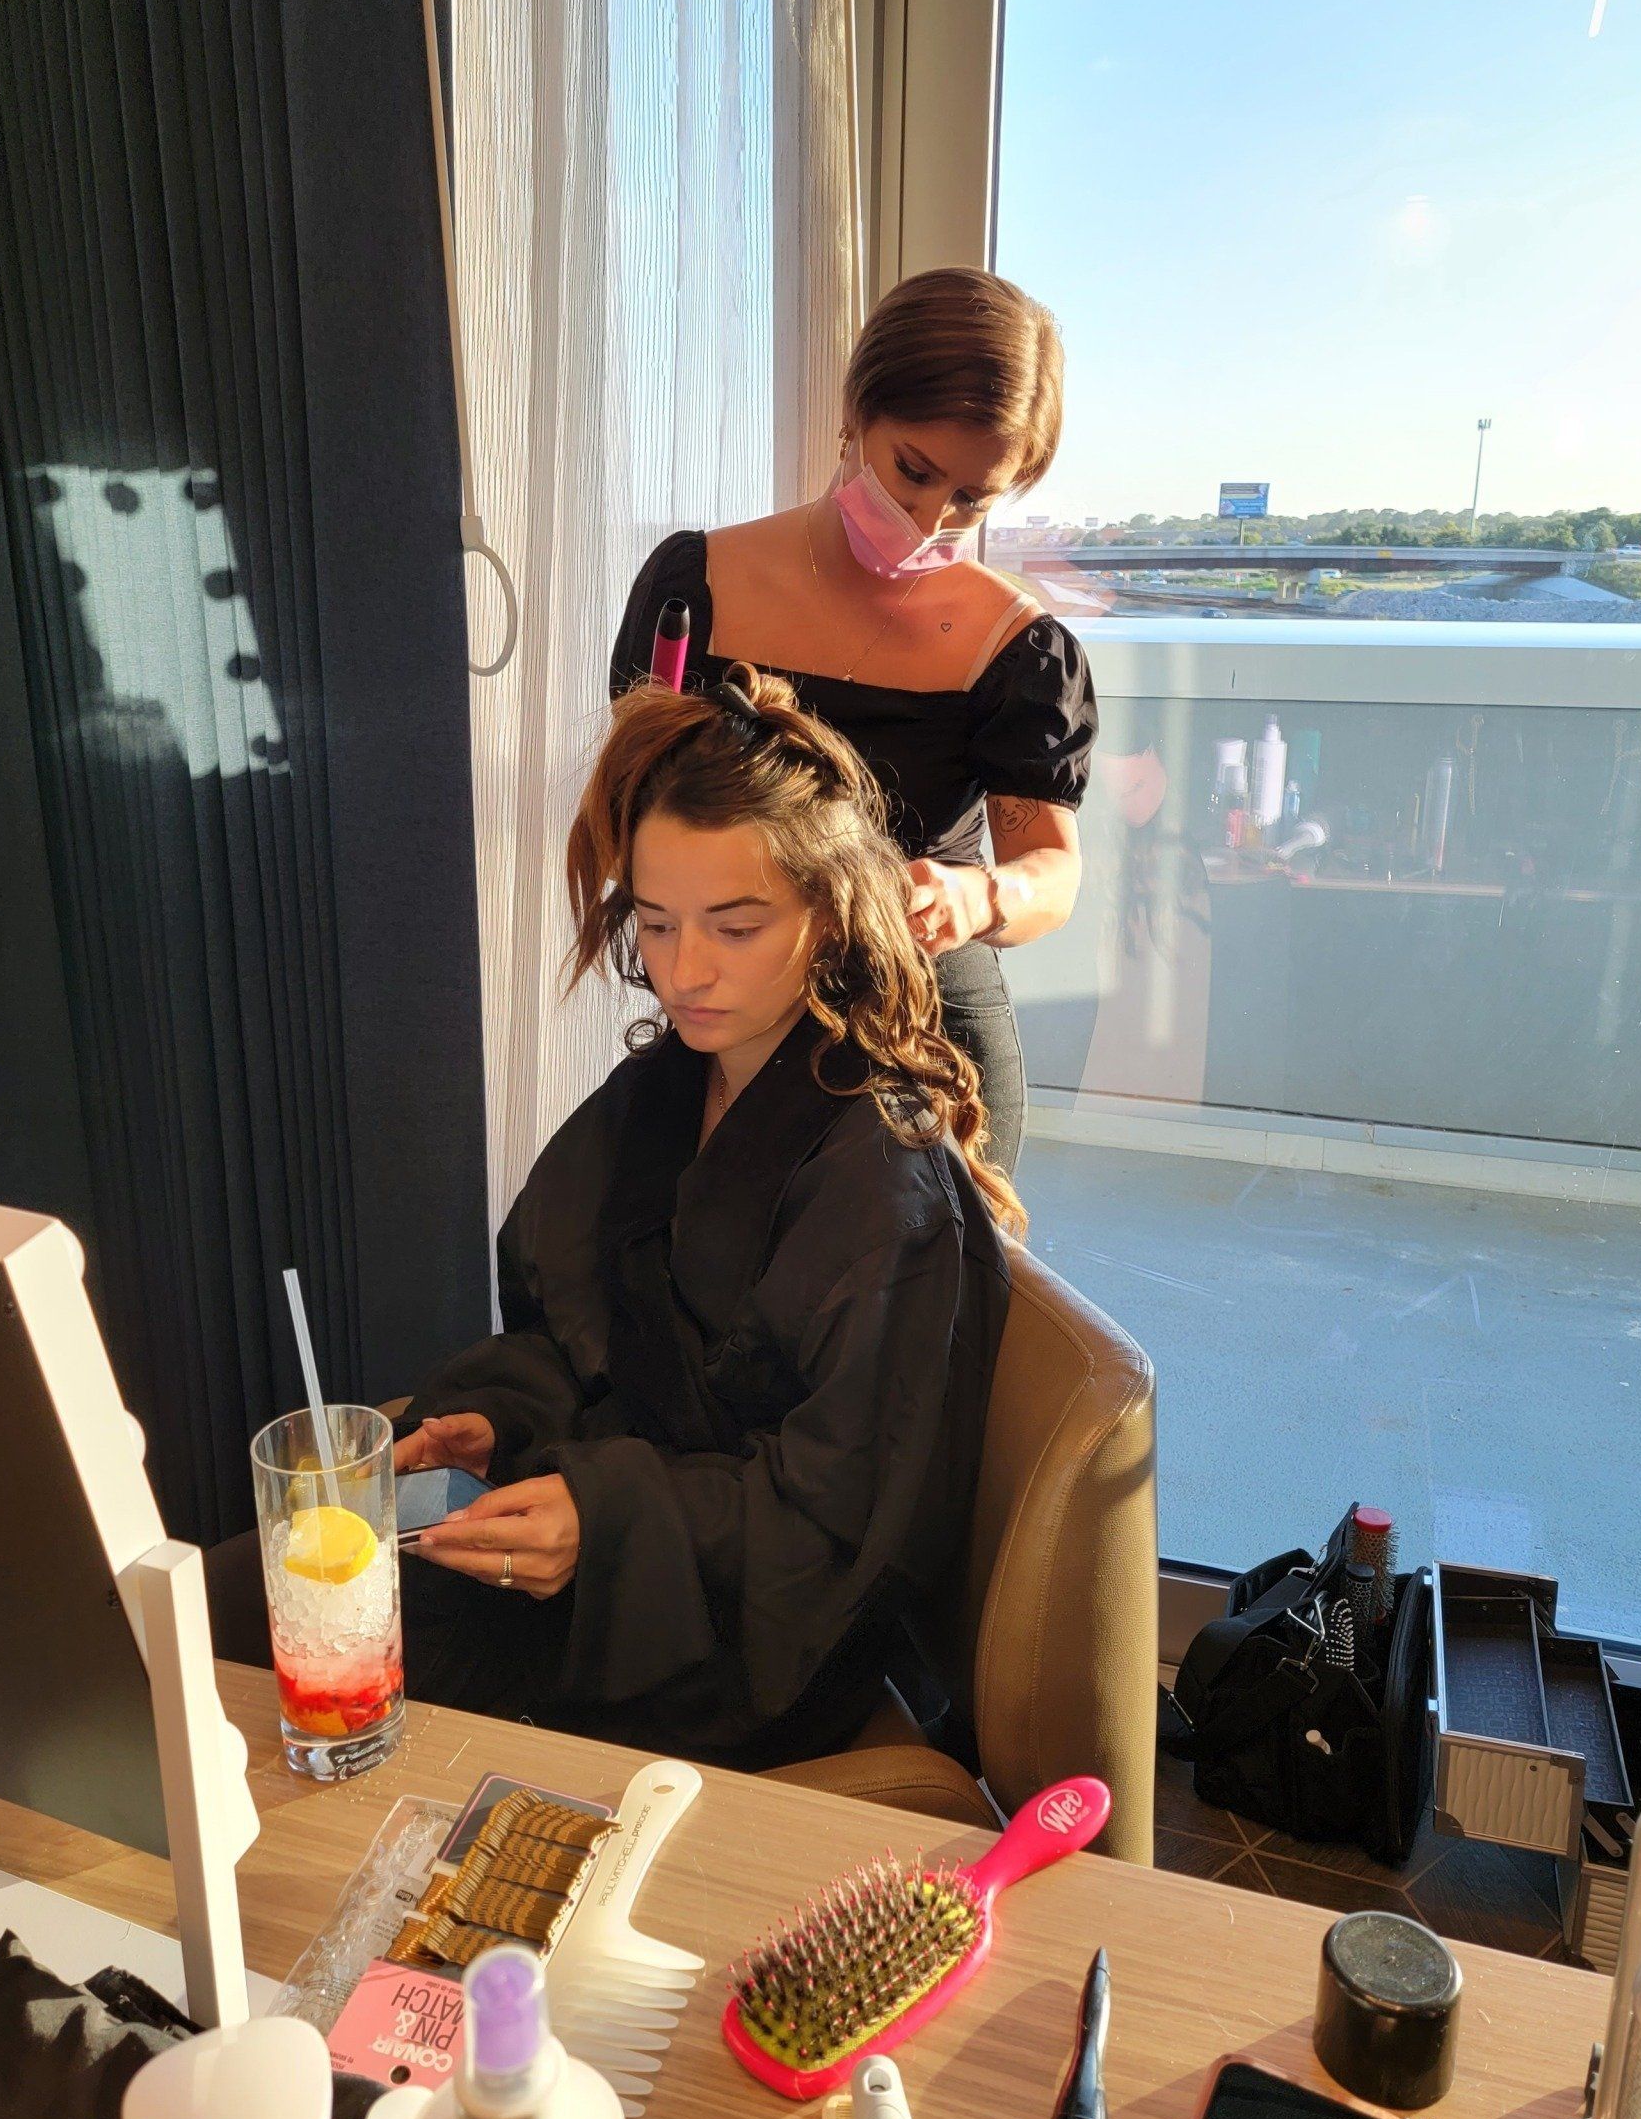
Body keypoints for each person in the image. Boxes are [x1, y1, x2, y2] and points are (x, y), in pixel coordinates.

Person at [207, 668, 1012, 1769]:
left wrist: (607, 1520)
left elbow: (841, 1523)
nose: (684, 973)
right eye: (657, 920)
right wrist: (499, 1418)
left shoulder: (881, 1178)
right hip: (611, 1542)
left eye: (736, 926)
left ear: (828, 914)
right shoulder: (668, 1091)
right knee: (234, 1595)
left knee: (292, 1656)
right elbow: (573, 1331)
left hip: (738, 1632)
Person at [611, 266, 1097, 1174]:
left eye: (971, 498)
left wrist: (980, 895)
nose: (928, 517)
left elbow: (1054, 873)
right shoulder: (698, 587)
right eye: (913, 469)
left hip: (928, 1042)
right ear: (855, 408)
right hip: (735, 1028)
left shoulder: (1016, 650)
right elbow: (629, 820)